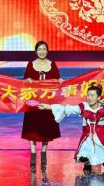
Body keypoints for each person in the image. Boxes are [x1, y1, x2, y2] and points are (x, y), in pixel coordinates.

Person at [38, 85, 104, 175]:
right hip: (87, 137)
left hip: (102, 137)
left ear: (99, 97)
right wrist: (48, 106)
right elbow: (66, 109)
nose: (89, 98)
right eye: (88, 95)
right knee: (87, 149)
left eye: (92, 95)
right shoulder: (83, 106)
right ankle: (87, 164)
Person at [21, 41, 62, 171]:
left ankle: (44, 152)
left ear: (47, 51)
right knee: (32, 126)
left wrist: (60, 81)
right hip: (33, 102)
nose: (42, 52)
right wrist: (27, 80)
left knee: (46, 126)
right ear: (36, 51)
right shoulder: (31, 64)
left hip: (47, 102)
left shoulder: (52, 64)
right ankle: (33, 154)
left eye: (44, 49)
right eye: (39, 49)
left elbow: (58, 80)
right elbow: (25, 80)